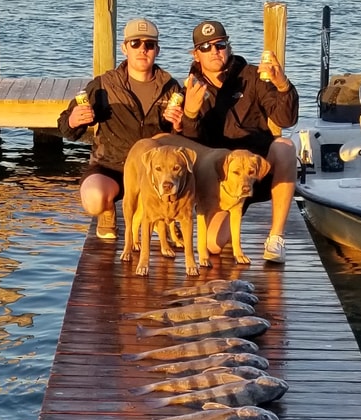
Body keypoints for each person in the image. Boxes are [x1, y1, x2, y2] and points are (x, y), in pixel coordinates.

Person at [181, 19, 299, 264]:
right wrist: (190, 114)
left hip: (257, 169)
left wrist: (282, 84)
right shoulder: (189, 88)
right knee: (213, 245)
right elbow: (191, 146)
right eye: (206, 47)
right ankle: (228, 217)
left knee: (285, 147)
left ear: (229, 46)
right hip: (223, 177)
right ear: (195, 54)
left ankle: (276, 237)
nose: (214, 51)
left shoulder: (253, 77)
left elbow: (286, 119)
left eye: (220, 44)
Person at [59, 18, 184, 240]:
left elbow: (182, 138)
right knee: (94, 199)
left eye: (149, 44)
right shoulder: (104, 85)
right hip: (111, 167)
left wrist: (179, 125)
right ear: (124, 48)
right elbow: (66, 129)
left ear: (157, 49)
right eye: (135, 43)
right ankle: (108, 211)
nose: (142, 49)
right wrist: (74, 121)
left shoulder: (171, 87)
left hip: (152, 171)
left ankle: (159, 215)